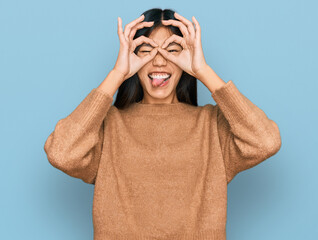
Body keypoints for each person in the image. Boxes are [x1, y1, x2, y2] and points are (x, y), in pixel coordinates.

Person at [44, 7, 282, 240]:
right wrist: (117, 74)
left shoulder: (212, 126)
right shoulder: (109, 126)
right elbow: (61, 153)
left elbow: (265, 142)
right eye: (146, 50)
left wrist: (203, 70)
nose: (159, 61)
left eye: (172, 50)